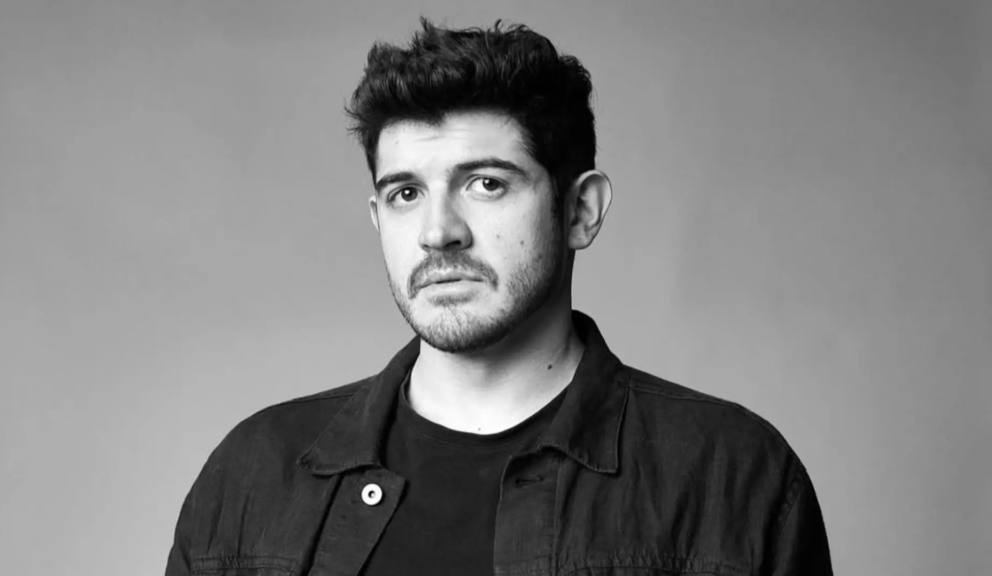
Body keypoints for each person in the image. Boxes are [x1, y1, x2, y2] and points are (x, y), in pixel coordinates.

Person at [166, 18, 832, 576]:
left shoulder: (732, 476)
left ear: (581, 210)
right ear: (378, 218)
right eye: (406, 193)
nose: (437, 232)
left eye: (486, 184)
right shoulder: (254, 472)